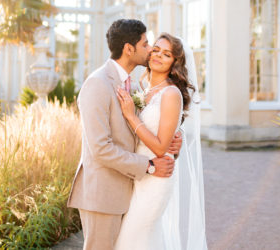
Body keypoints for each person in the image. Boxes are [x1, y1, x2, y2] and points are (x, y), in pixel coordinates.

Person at [67, 19, 183, 250]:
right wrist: (149, 166)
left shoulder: (132, 85)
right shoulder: (97, 84)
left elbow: (143, 125)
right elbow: (101, 149)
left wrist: (174, 138)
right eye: (146, 44)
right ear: (129, 49)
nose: (150, 50)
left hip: (129, 191)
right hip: (103, 194)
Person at [114, 32, 205, 250]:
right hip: (138, 174)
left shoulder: (171, 93)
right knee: (145, 239)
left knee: (131, 239)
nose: (158, 56)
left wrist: (131, 116)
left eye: (166, 54)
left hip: (157, 179)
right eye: (155, 49)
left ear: (175, 63)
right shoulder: (142, 91)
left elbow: (162, 146)